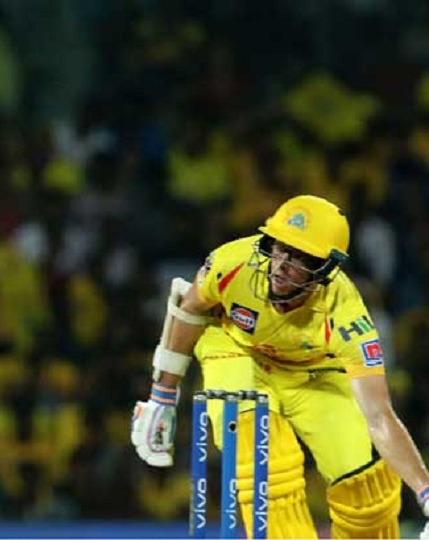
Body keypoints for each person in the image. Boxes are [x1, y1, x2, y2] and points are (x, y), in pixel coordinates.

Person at [131, 194, 429, 538]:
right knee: (265, 466)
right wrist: (163, 397)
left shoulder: (346, 317)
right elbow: (190, 307)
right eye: (281, 248)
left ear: (326, 268)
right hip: (237, 351)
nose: (282, 264)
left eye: (301, 257)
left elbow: (379, 416)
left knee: (367, 491)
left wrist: (425, 493)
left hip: (314, 373)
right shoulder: (233, 262)